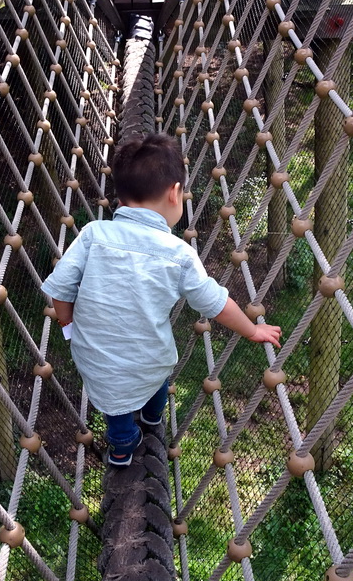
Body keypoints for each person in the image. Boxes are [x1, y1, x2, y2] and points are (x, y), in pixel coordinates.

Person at [41, 134, 282, 466]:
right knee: (156, 375)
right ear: (174, 193)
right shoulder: (178, 254)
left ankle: (122, 448)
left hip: (96, 360)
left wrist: (68, 322)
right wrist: (252, 331)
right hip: (148, 360)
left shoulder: (93, 234)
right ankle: (153, 417)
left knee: (116, 404)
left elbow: (61, 289)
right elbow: (215, 303)